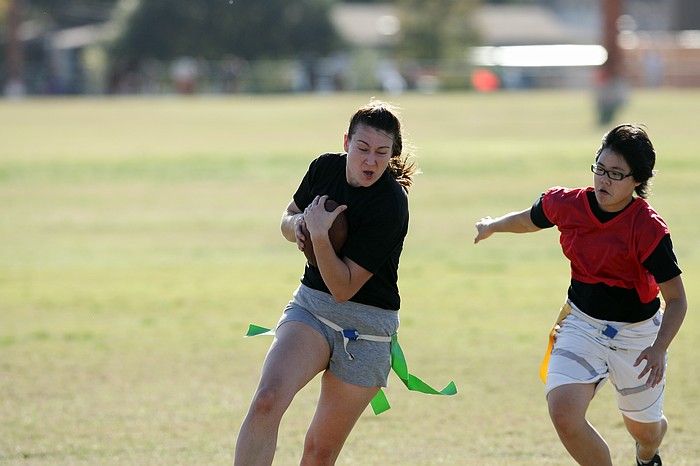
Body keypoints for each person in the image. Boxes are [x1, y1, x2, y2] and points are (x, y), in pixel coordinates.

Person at [473, 124, 686, 466]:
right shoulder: (568, 204)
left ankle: (648, 456)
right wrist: (493, 225)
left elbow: (677, 299)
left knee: (645, 433)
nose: (604, 180)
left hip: (638, 337)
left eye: (616, 174)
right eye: (600, 168)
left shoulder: (647, 228)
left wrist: (659, 348)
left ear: (637, 180)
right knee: (564, 413)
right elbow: (530, 220)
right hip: (581, 323)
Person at [234, 99, 417, 465]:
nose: (370, 161)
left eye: (382, 153)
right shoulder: (324, 168)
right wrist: (300, 224)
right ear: (347, 141)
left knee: (319, 452)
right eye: (362, 148)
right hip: (312, 308)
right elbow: (288, 218)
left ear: (392, 154)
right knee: (267, 401)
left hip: (367, 329)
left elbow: (344, 287)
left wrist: (318, 234)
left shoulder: (391, 204)